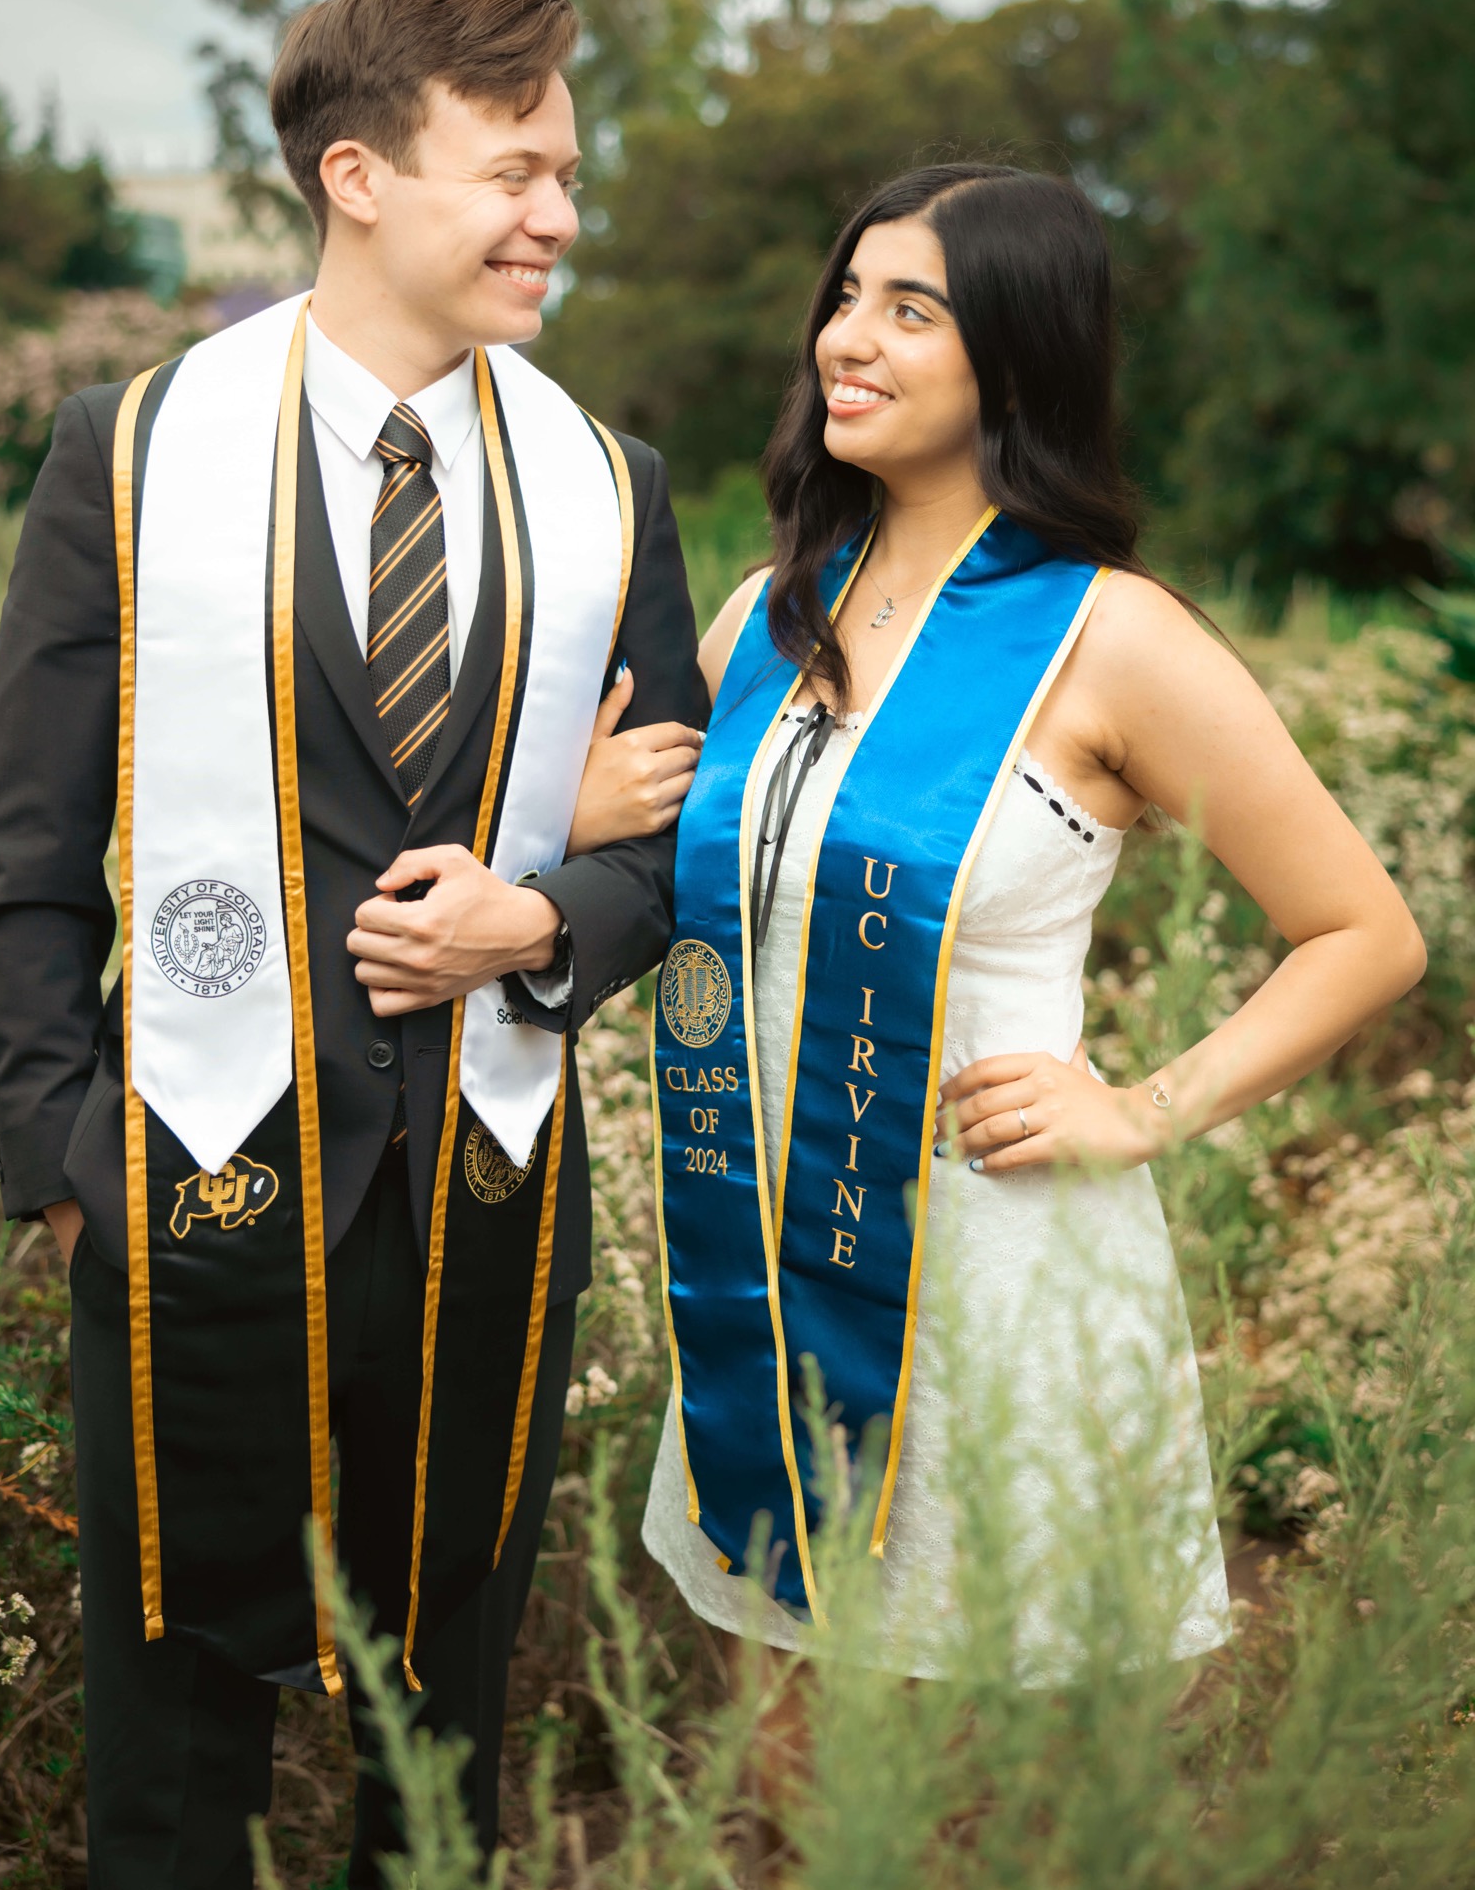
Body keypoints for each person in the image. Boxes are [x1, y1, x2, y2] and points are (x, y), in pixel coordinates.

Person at [0, 0, 706, 1890]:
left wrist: (536, 921)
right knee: (174, 1710)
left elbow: (670, 851)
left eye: (568, 169)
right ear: (357, 174)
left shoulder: (609, 485)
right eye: (518, 167)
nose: (560, 211)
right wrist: (61, 1155)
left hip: (484, 1188)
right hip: (193, 1175)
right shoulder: (126, 456)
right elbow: (21, 854)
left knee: (441, 1713)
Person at [595, 162, 1424, 1687]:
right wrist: (585, 818)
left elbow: (1364, 933)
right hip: (768, 1290)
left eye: (911, 309)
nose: (849, 336)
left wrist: (1144, 1107)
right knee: (786, 1772)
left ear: (1016, 357)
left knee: (991, 1818)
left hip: (995, 1283)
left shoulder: (1116, 638)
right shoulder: (770, 614)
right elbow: (669, 887)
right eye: (847, 296)